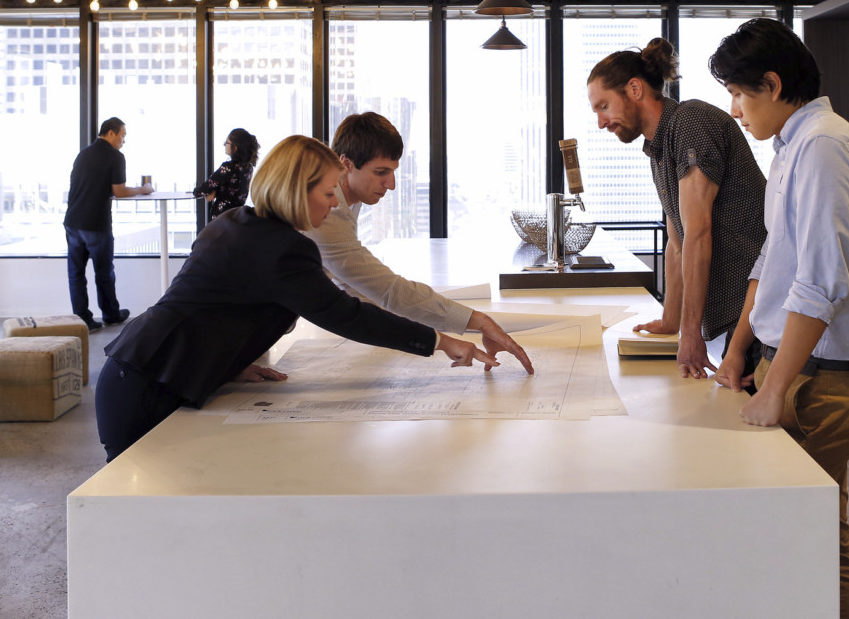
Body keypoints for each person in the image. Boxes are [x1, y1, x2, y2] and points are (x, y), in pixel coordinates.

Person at [96, 135, 499, 462]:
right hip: (147, 386)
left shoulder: (237, 223)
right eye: (327, 193)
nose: (334, 203)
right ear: (296, 190)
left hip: (137, 370)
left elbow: (207, 310)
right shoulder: (283, 247)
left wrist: (228, 362)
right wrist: (440, 341)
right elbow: (346, 315)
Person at [708, 19, 849, 619]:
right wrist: (739, 349)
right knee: (816, 532)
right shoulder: (792, 144)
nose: (734, 110)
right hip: (797, 364)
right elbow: (772, 259)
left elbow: (819, 281)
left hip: (829, 379)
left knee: (806, 539)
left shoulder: (823, 145)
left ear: (773, 83)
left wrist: (778, 387)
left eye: (738, 93)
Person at [586, 38, 766, 379]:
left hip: (759, 311)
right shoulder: (658, 146)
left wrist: (691, 333)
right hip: (742, 312)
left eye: (603, 106)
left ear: (634, 89)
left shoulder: (691, 123)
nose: (601, 122)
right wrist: (671, 322)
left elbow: (698, 233)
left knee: (756, 423)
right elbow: (677, 240)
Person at [306, 113, 534, 374]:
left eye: (392, 172)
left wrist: (412, 331)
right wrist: (475, 322)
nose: (390, 185)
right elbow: (388, 291)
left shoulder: (346, 198)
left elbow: (354, 286)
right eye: (381, 172)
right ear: (346, 164)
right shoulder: (330, 211)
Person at [64, 117, 151, 330]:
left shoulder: (83, 154)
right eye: (122, 135)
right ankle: (110, 314)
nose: (123, 140)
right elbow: (119, 192)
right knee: (104, 272)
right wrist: (143, 189)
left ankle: (83, 320)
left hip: (73, 221)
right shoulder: (115, 157)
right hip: (95, 223)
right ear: (110, 133)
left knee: (76, 274)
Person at [193, 127, 260, 217]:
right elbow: (231, 188)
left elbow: (202, 190)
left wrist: (200, 191)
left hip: (222, 218)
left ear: (235, 147)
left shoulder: (228, 168)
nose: (224, 145)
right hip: (237, 216)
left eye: (227, 143)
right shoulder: (248, 168)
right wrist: (215, 190)